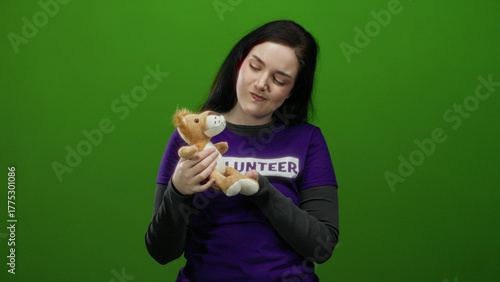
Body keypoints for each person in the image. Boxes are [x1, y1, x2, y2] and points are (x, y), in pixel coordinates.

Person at [145, 20, 339, 281]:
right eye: (255, 66)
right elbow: (161, 251)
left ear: (293, 90)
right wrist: (177, 191)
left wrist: (262, 193)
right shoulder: (191, 136)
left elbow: (322, 246)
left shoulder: (308, 139)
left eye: (279, 79)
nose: (261, 83)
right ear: (239, 63)